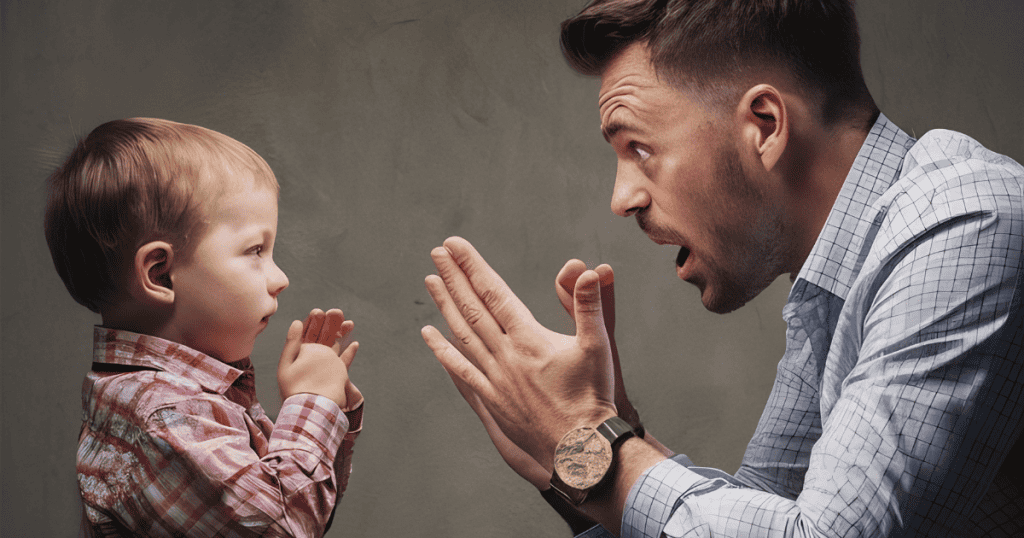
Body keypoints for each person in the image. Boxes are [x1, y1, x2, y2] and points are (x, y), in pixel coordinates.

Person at [420, 0, 1024, 536]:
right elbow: (759, 508)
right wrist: (585, 455)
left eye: (639, 148)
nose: (621, 198)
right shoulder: (831, 285)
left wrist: (589, 439)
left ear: (763, 124)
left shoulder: (966, 219)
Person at [44, 118, 365, 537]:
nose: (280, 277)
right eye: (256, 251)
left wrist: (328, 409)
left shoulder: (177, 398)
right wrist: (313, 401)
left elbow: (306, 509)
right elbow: (286, 526)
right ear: (160, 274)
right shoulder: (163, 418)